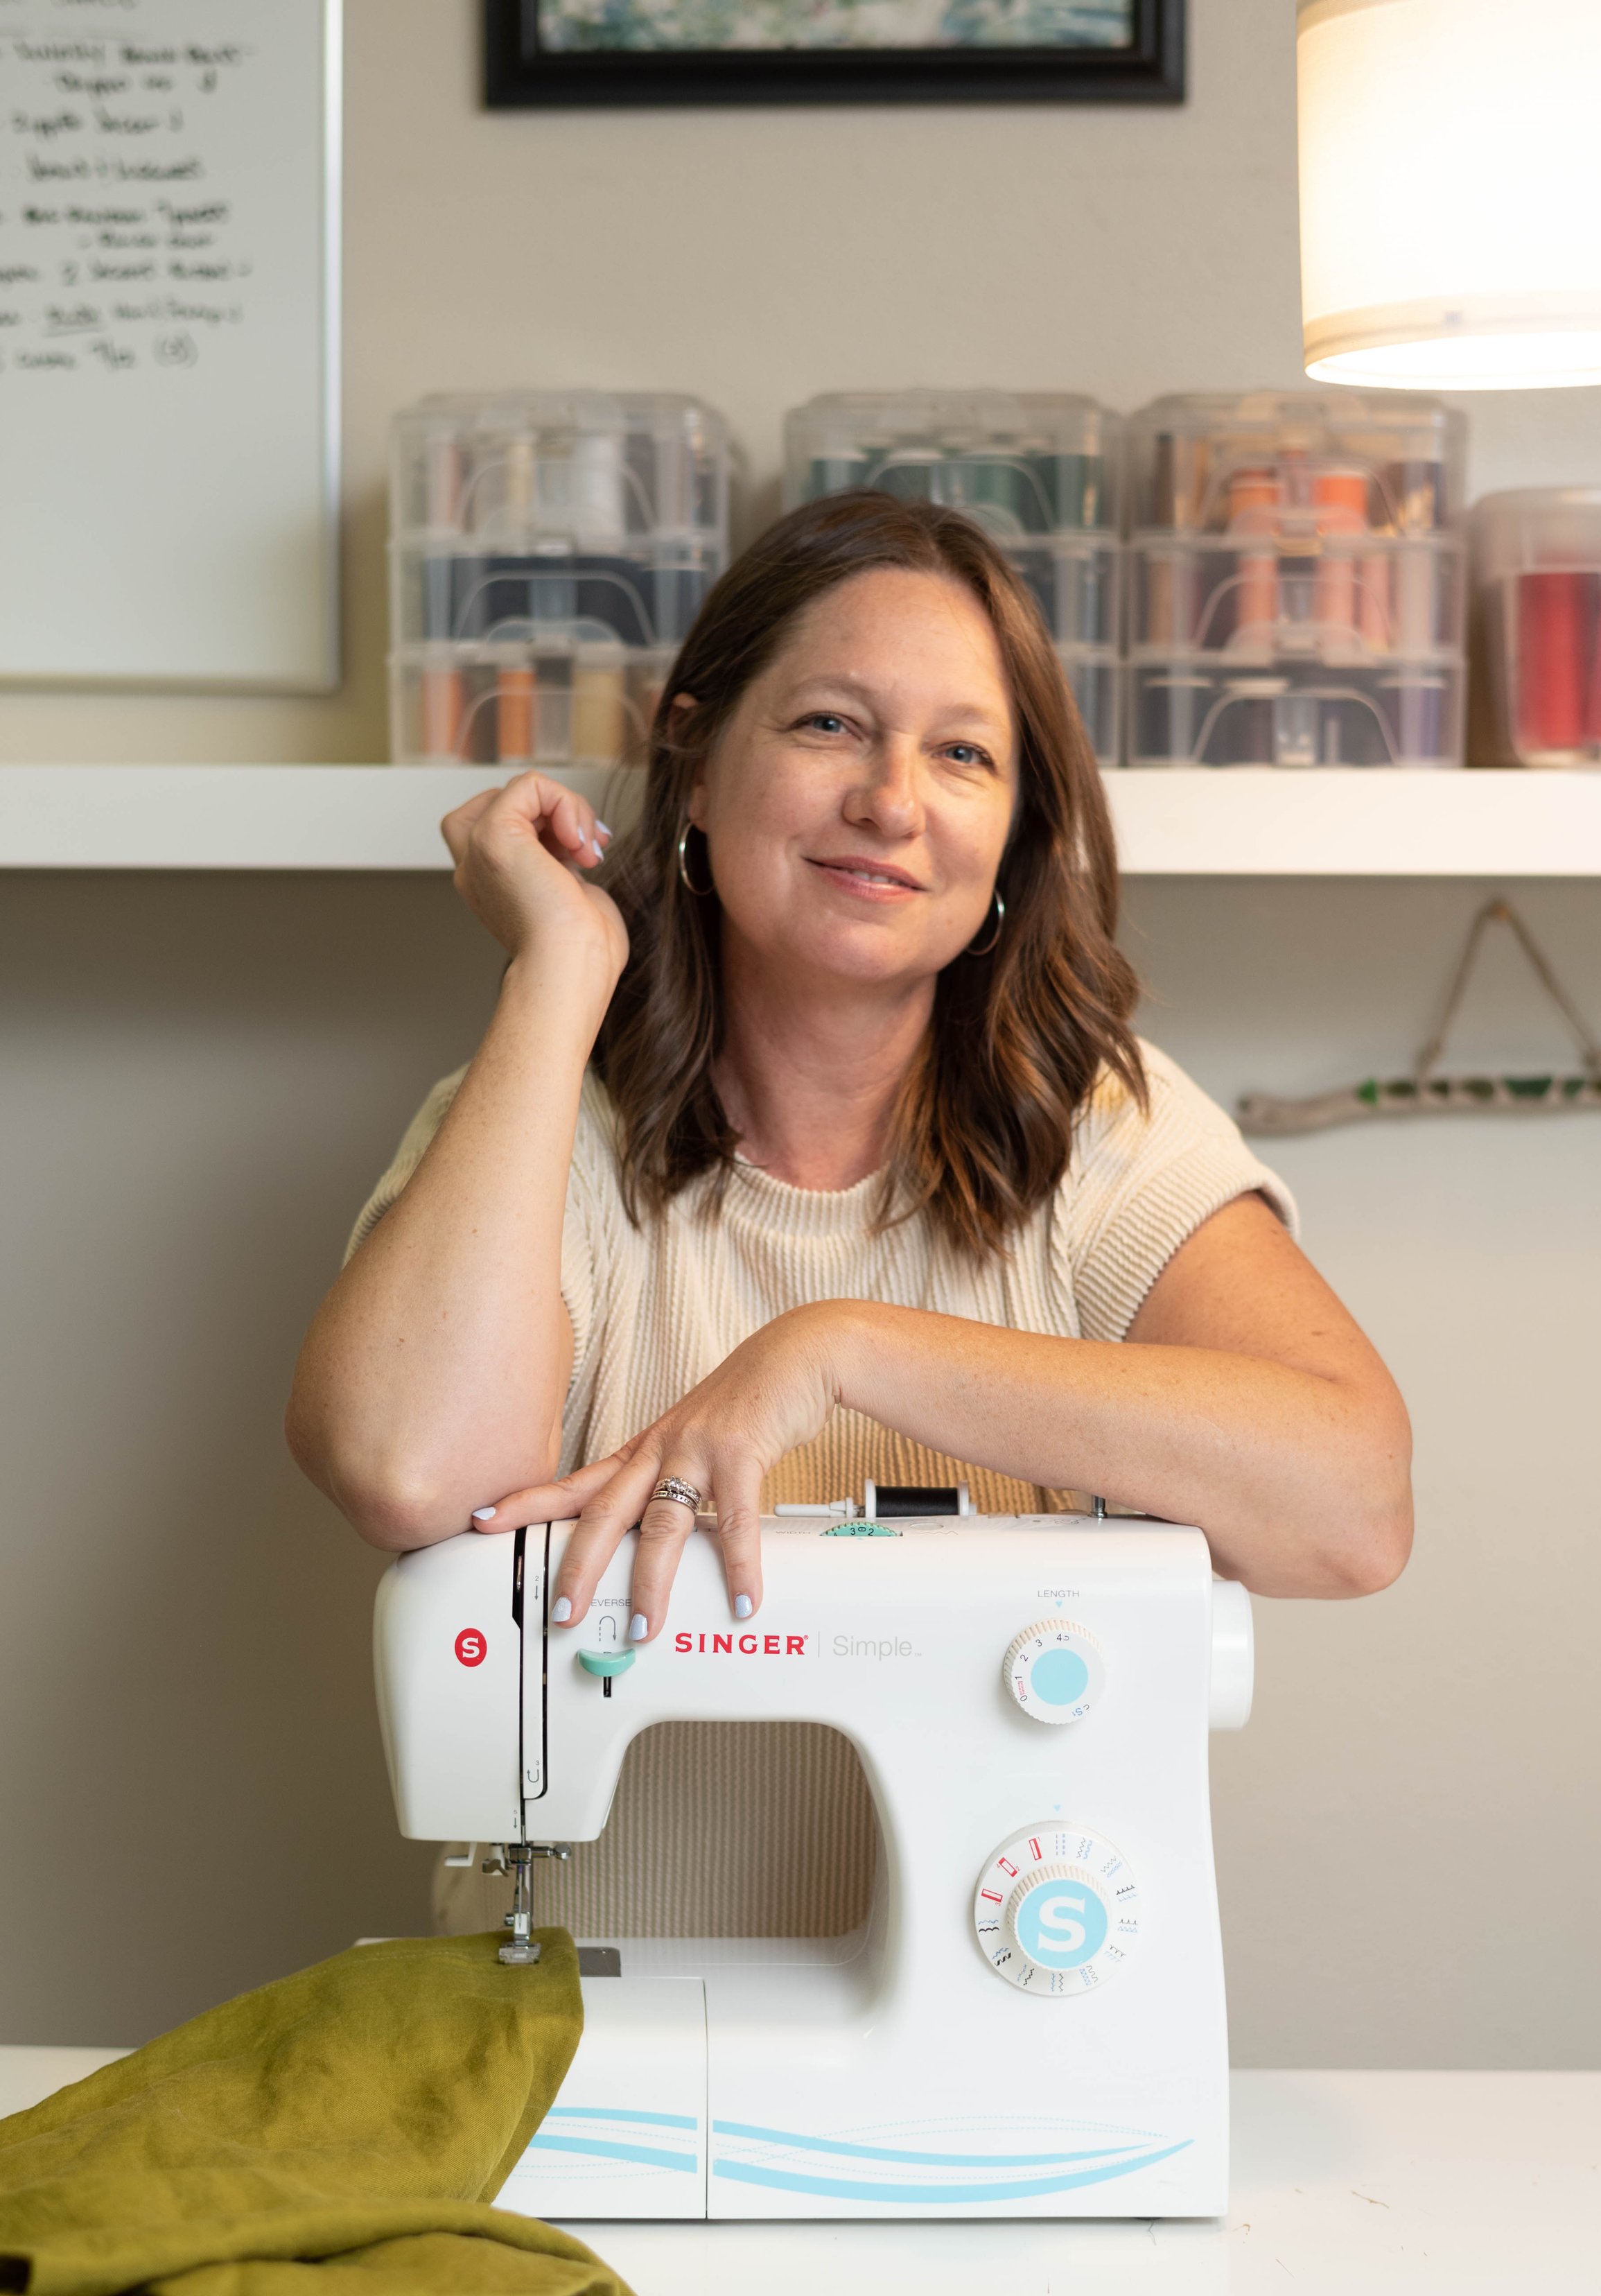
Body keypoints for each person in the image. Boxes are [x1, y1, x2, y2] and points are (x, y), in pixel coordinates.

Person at [288, 492, 1411, 1940]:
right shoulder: (535, 1131)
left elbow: (1352, 1508)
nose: (891, 801)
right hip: (568, 2081)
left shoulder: (1100, 1138)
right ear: (692, 764)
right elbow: (403, 1469)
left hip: (994, 2086)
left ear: (1010, 842)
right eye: (828, 725)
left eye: (960, 754)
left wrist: (844, 1350)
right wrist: (560, 969)